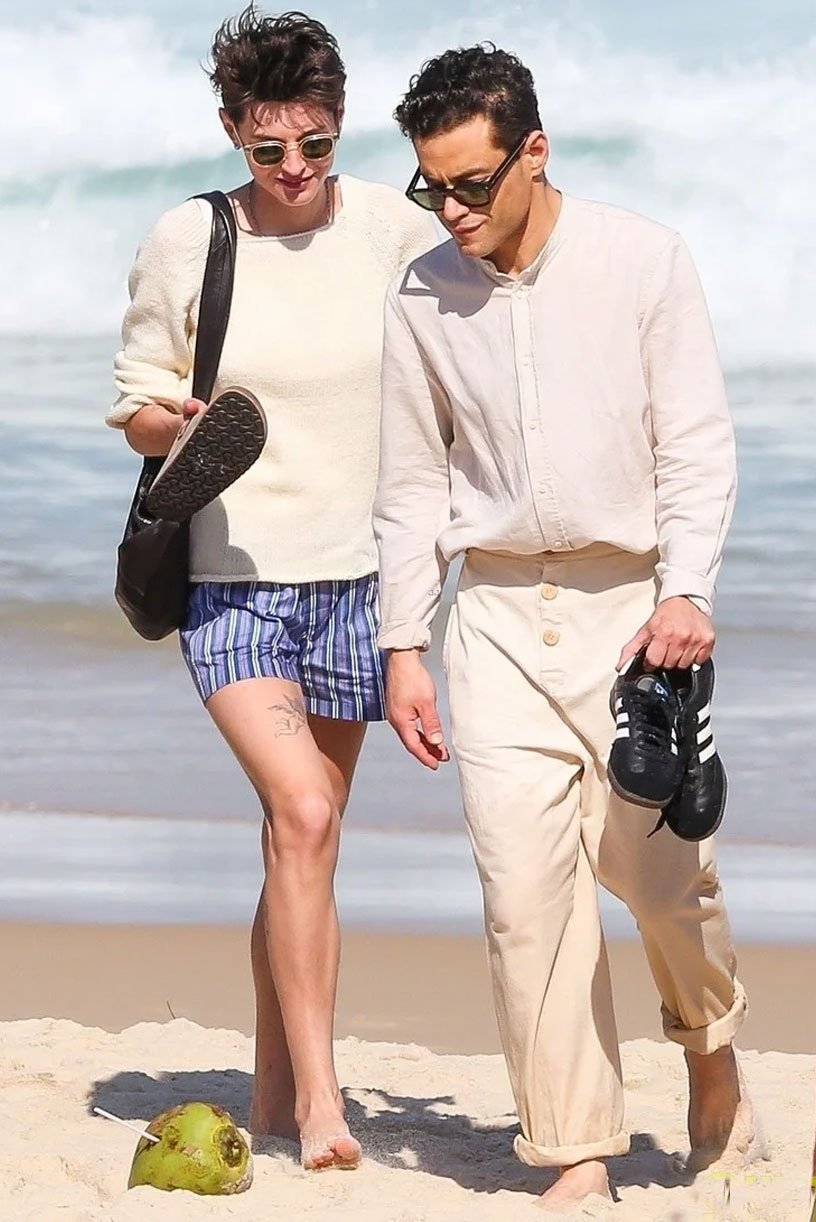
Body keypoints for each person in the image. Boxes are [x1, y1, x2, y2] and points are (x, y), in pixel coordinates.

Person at [373, 44, 752, 1210]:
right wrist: (402, 643)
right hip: (488, 616)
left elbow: (695, 441)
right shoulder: (420, 294)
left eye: (473, 183)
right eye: (432, 186)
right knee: (522, 887)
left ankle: (711, 1046)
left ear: (534, 153)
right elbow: (409, 486)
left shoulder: (645, 262)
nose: (452, 208)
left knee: (654, 874)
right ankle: (574, 1146)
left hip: (632, 612)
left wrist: (687, 588)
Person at [106, 6, 435, 1171]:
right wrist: (175, 423)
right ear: (233, 133)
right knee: (302, 813)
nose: (293, 171)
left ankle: (273, 1085)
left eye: (315, 145)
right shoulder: (189, 239)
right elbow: (137, 395)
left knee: (307, 841)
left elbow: (460, 357)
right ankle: (328, 1107)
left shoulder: (397, 229)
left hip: (360, 579)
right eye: (267, 150)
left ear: (340, 126)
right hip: (235, 579)